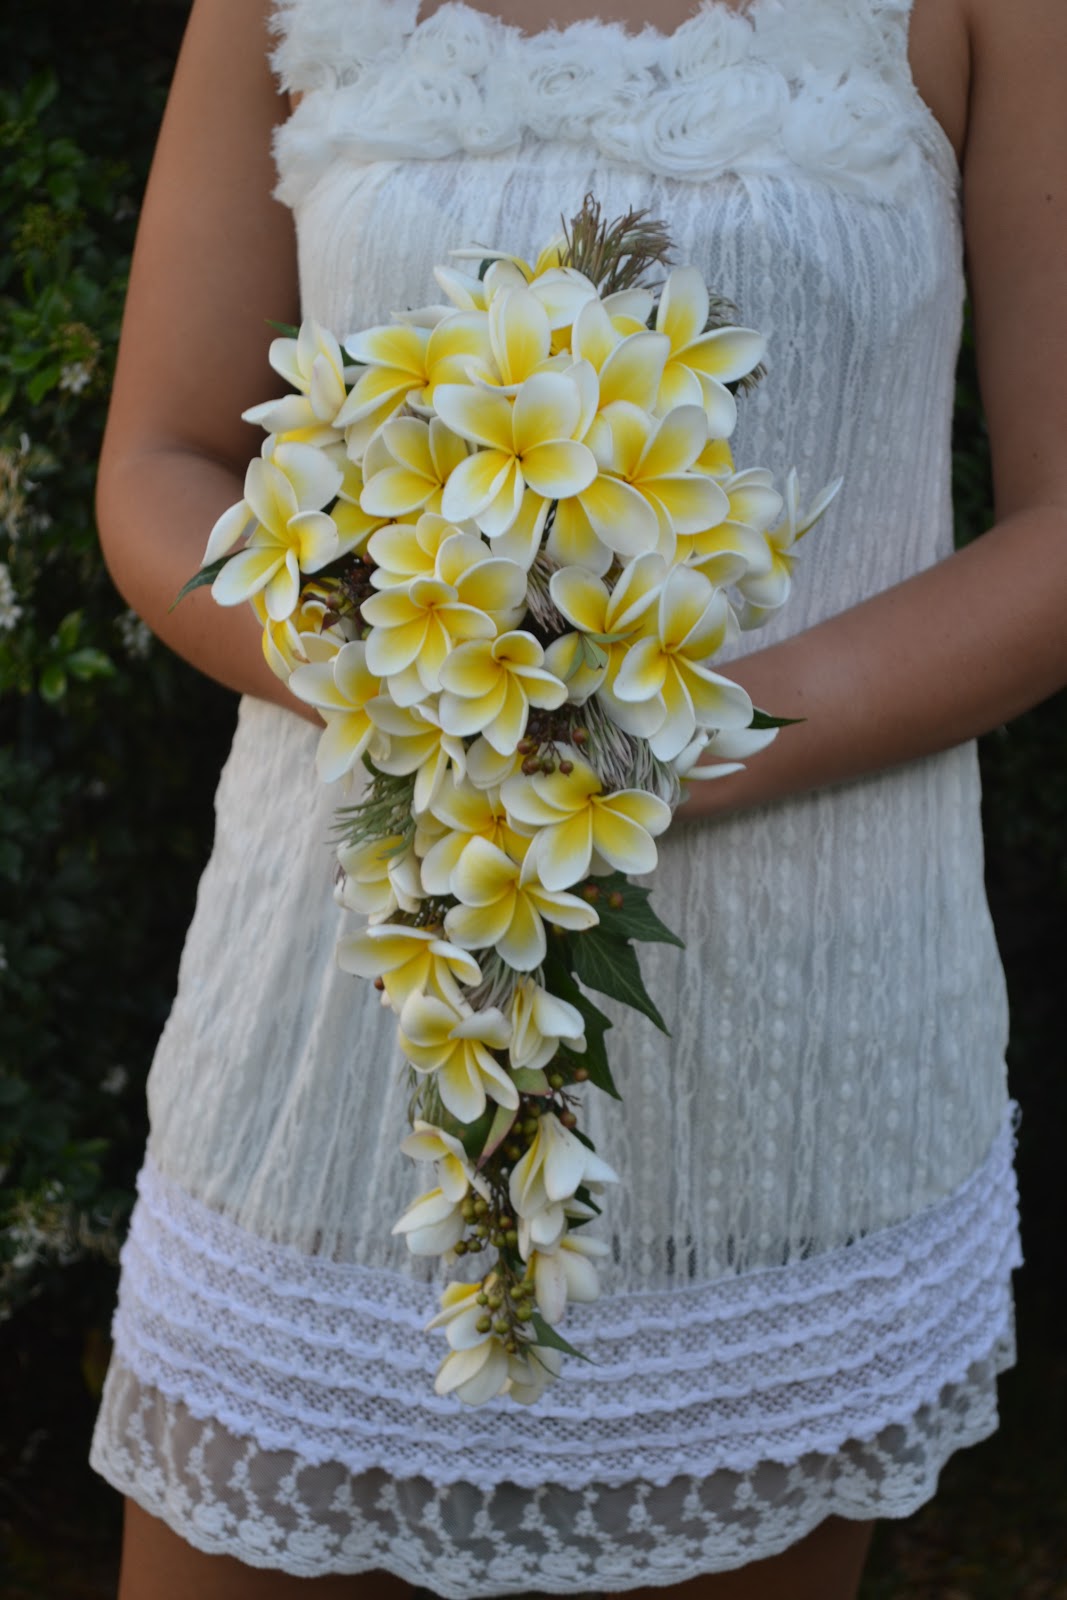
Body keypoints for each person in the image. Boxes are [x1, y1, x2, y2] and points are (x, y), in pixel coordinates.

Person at [89, 1, 1067, 1597]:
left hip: (782, 1057)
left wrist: (658, 743)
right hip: (349, 1014)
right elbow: (166, 461)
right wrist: (415, 682)